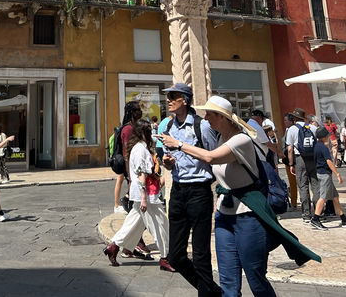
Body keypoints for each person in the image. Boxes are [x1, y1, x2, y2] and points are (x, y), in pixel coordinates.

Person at [169, 95, 320, 297]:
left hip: (248, 215)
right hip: (224, 215)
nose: (205, 119)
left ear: (222, 117)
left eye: (209, 115)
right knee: (228, 281)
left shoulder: (241, 140)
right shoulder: (218, 139)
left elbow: (210, 158)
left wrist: (178, 144)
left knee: (255, 277)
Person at [159, 82, 222, 296]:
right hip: (178, 190)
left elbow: (215, 156)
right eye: (168, 96)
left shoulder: (201, 126)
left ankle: (206, 293)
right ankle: (214, 292)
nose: (168, 100)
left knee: (201, 254)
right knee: (175, 256)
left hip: (199, 191)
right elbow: (170, 158)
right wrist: (168, 162)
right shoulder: (168, 127)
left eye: (173, 96)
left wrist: (179, 146)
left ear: (184, 100)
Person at [103, 119, 172, 272]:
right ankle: (165, 256)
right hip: (147, 194)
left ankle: (113, 246)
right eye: (149, 131)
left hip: (143, 192)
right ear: (143, 133)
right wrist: (143, 198)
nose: (151, 134)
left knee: (134, 222)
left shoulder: (137, 148)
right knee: (160, 224)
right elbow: (141, 173)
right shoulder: (141, 149)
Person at [310, 127, 346, 230]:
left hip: (320, 173)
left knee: (335, 197)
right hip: (325, 175)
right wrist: (337, 174)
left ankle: (344, 219)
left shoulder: (316, 146)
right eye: (327, 135)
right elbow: (329, 161)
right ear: (324, 137)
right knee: (323, 198)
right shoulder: (323, 147)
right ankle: (315, 219)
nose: (328, 137)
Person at [286, 107, 319, 222]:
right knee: (315, 185)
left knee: (303, 186)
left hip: (300, 159)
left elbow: (290, 149)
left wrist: (291, 164)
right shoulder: (313, 127)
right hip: (313, 158)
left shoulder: (292, 129)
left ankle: (306, 214)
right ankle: (318, 212)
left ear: (295, 118)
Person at [113, 100, 143, 214]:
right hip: (130, 165)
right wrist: (129, 171)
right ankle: (126, 201)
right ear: (131, 112)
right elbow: (127, 152)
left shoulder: (134, 127)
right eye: (137, 110)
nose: (140, 112)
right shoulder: (128, 129)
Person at [281, 114, 298, 208]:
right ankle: (294, 202)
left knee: (297, 183)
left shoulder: (293, 130)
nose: (284, 122)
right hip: (288, 160)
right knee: (292, 183)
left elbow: (290, 148)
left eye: (286, 120)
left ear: (291, 121)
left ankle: (295, 202)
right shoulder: (287, 130)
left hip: (292, 160)